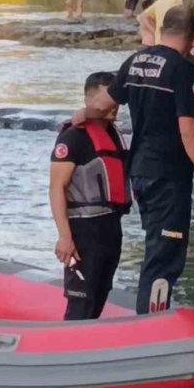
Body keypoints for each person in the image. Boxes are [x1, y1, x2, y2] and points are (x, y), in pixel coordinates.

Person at [75, 6, 194, 315]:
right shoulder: (181, 69)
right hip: (167, 174)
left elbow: (102, 104)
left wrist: (80, 116)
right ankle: (151, 323)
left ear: (161, 30)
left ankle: (149, 314)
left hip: (138, 172)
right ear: (193, 36)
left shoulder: (137, 61)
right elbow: (189, 128)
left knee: (156, 244)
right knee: (165, 253)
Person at [50, 72, 131, 321]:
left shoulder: (115, 137)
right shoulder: (73, 138)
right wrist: (65, 237)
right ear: (88, 100)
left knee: (100, 292)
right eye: (106, 99)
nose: (113, 105)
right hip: (83, 229)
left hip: (110, 226)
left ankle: (88, 346)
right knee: (81, 298)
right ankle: (67, 350)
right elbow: (56, 188)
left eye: (114, 99)